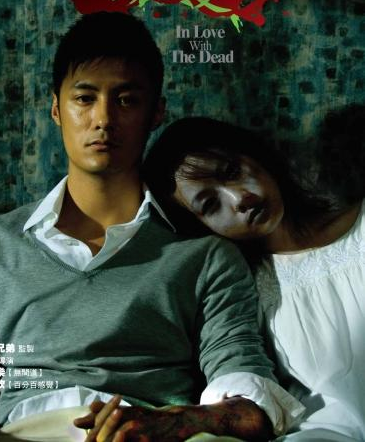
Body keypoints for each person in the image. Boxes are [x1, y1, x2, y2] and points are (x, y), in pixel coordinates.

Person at [0, 14, 303, 442]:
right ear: (56, 108)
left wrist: (178, 422)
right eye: (84, 98)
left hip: (153, 430)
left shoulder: (204, 255)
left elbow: (247, 398)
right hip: (23, 431)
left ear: (156, 112)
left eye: (126, 100)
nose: (103, 119)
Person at [142, 117, 365, 442]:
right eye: (210, 205)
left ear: (254, 156)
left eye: (231, 172)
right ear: (202, 227)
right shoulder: (238, 295)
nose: (239, 199)